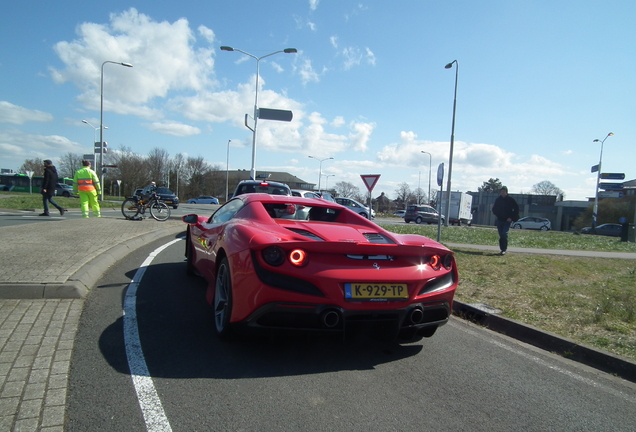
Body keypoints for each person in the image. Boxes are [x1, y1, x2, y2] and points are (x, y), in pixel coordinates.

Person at [492, 186, 519, 255]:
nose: (502, 193)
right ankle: (502, 249)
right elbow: (494, 209)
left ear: (506, 192)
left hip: (507, 220)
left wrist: (511, 217)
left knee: (504, 234)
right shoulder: (498, 200)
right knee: (501, 234)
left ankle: (504, 249)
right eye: (501, 192)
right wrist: (498, 215)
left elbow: (516, 209)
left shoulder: (511, 200)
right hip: (500, 220)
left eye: (504, 191)